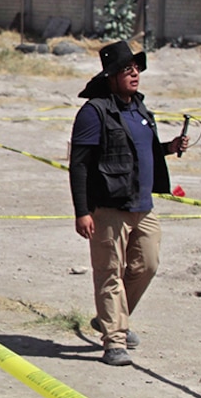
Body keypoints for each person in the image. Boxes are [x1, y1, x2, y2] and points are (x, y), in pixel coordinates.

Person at [69, 40, 188, 367]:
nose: (134, 73)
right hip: (108, 207)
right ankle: (114, 340)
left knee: (146, 266)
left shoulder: (139, 108)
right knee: (109, 273)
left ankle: (111, 319)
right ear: (110, 76)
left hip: (143, 206)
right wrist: (82, 211)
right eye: (126, 69)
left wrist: (169, 146)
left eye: (136, 67)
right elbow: (78, 164)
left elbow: (142, 151)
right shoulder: (94, 112)